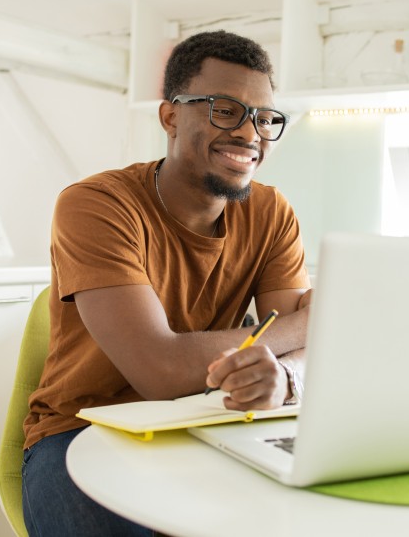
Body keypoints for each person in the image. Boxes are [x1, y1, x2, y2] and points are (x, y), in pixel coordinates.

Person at [21, 30, 312, 536]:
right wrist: (306, 323)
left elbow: (300, 346)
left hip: (201, 423)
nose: (249, 134)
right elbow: (160, 370)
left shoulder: (271, 212)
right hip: (78, 434)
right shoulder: (96, 204)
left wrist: (285, 378)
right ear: (171, 115)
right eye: (225, 109)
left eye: (264, 118)